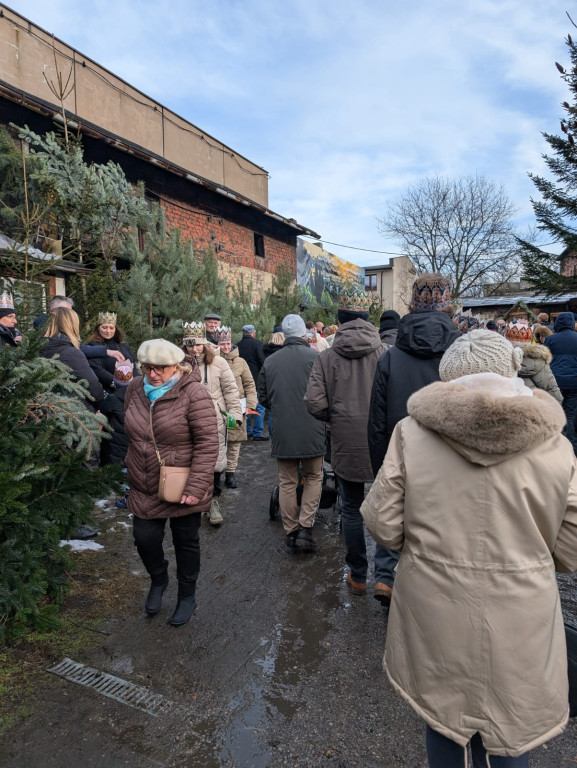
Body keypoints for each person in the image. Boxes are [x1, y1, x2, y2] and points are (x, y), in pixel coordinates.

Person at [361, 329, 577, 767]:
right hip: (523, 608)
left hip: (435, 601)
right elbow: (572, 545)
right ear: (512, 369)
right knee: (511, 727)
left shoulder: (411, 433)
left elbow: (382, 521)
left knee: (443, 719)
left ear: (448, 375)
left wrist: (421, 550)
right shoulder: (555, 444)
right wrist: (531, 560)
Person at [367, 273, 460, 601]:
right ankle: (429, 586)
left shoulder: (390, 356)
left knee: (395, 507)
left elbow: (377, 418)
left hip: (401, 450)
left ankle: (385, 577)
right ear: (448, 306)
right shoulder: (460, 352)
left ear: (412, 305)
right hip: (450, 455)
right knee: (438, 521)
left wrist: (380, 465)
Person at [123, 339, 219, 627]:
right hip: (144, 483)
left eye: (161, 369)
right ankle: (159, 578)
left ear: (177, 366)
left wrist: (196, 486)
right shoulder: (134, 389)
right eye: (148, 368)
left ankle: (187, 595)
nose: (153, 374)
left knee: (185, 542)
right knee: (144, 538)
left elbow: (207, 443)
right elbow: (130, 431)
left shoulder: (194, 393)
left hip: (183, 484)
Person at [305, 290, 389, 597]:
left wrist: (335, 417)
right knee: (387, 506)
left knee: (352, 509)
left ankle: (357, 576)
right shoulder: (385, 353)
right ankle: (385, 577)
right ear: (368, 319)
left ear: (339, 319)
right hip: (383, 441)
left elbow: (314, 402)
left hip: (344, 440)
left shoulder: (326, 357)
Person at [258, 314, 326, 551]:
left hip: (283, 430)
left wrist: (281, 410)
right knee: (314, 476)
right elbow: (325, 393)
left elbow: (263, 397)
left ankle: (291, 531)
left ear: (285, 334)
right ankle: (306, 528)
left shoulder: (271, 361)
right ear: (303, 333)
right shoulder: (316, 358)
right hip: (313, 427)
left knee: (287, 481)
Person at [182, 322, 242, 525]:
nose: (195, 349)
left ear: (205, 343)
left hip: (215, 419)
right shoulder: (179, 364)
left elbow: (231, 391)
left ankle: (213, 502)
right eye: (190, 346)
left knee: (215, 462)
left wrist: (234, 418)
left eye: (198, 345)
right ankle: (196, 501)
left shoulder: (219, 363)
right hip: (186, 420)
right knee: (191, 462)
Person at [215, 326, 258, 489]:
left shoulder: (240, 362)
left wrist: (251, 404)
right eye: (222, 344)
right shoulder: (213, 362)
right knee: (218, 441)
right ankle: (217, 473)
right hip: (218, 409)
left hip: (235, 408)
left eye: (227, 343)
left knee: (234, 441)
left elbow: (249, 383)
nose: (225, 347)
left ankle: (231, 473)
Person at [40, 307, 104, 412]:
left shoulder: (40, 349)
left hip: (46, 411)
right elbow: (93, 386)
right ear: (72, 325)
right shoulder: (71, 353)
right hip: (73, 414)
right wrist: (102, 404)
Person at [35, 295, 126, 365]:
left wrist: (106, 351)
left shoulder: (60, 329)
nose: (70, 315)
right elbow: (76, 350)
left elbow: (78, 348)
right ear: (53, 309)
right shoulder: (47, 330)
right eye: (66, 311)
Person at [545, 311, 577, 453]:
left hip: (555, 381)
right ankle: (571, 447)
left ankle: (554, 446)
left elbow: (545, 360)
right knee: (570, 415)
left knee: (554, 413)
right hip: (574, 381)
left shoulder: (551, 339)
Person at [85, 311, 135, 393]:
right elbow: (97, 370)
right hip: (109, 391)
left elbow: (133, 364)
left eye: (111, 328)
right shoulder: (93, 346)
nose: (108, 331)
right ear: (98, 328)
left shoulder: (124, 346)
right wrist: (117, 383)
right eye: (104, 327)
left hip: (130, 390)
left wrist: (134, 383)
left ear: (115, 329)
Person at [237, 324, 268, 441]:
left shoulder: (238, 345)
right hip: (255, 380)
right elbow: (262, 362)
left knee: (245, 407)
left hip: (241, 380)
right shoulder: (258, 344)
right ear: (253, 333)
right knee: (258, 407)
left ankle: (247, 431)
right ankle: (257, 433)